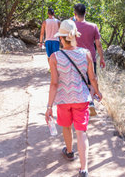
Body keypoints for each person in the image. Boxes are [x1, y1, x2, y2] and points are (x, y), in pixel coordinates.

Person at [45, 20, 102, 177]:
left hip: (63, 100)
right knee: (81, 132)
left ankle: (69, 152)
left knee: (66, 126)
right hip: (81, 99)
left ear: (61, 38)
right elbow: (92, 78)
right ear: (75, 36)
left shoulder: (54, 57)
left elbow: (54, 84)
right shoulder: (86, 54)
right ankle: (83, 169)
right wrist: (97, 91)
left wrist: (49, 107)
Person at [73, 3, 105, 116]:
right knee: (92, 80)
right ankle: (90, 102)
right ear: (85, 13)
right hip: (90, 58)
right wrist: (102, 58)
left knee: (79, 82)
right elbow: (99, 45)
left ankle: (79, 106)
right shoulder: (93, 26)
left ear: (75, 14)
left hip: (75, 58)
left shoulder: (72, 26)